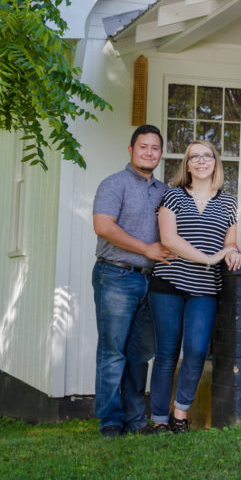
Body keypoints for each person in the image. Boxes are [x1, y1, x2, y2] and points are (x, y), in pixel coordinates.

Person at [149, 140, 241, 433]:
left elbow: (229, 242)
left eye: (207, 156)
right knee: (166, 353)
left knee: (196, 349)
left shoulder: (228, 202)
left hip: (205, 288)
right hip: (168, 282)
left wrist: (234, 251)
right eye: (195, 157)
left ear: (215, 162)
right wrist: (207, 258)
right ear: (187, 165)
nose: (201, 161)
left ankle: (180, 414)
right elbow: (168, 240)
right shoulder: (173, 196)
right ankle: (159, 420)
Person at [91, 125, 174, 437]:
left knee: (140, 355)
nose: (149, 152)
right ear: (131, 150)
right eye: (143, 147)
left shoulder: (165, 192)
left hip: (151, 282)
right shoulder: (114, 184)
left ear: (160, 154)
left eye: (155, 148)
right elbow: (103, 226)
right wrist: (146, 249)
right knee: (113, 351)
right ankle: (111, 420)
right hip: (116, 274)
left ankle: (136, 419)